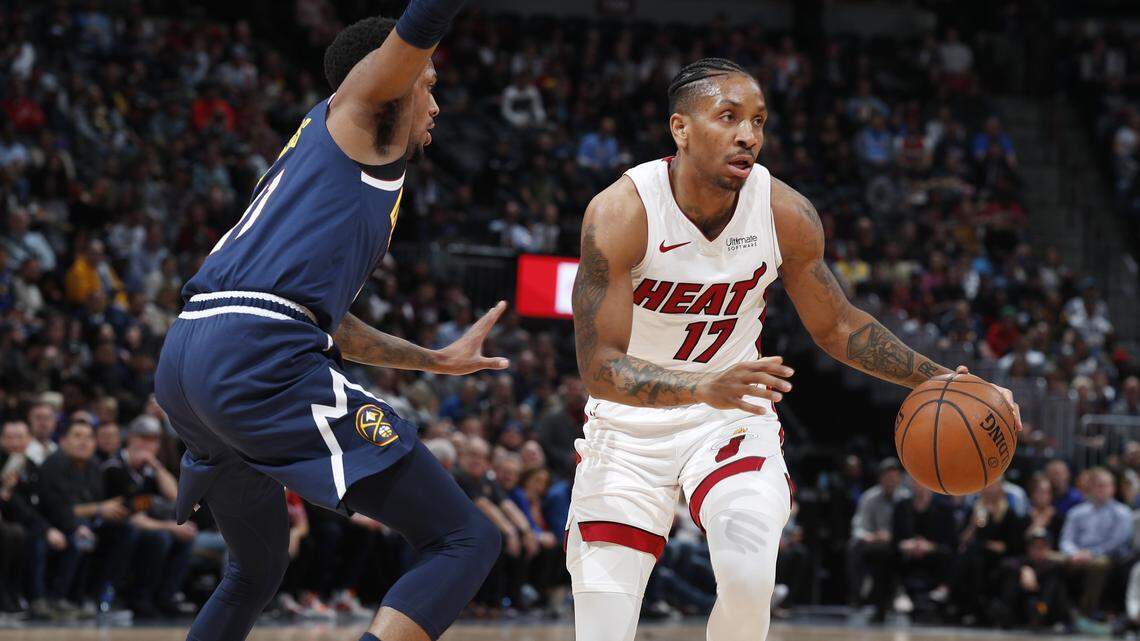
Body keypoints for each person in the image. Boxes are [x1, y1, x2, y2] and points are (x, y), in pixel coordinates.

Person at [567, 57, 1022, 641]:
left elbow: (839, 328)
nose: (747, 135)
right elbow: (599, 369)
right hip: (628, 430)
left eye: (758, 121)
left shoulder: (785, 212)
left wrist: (954, 384)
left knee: (750, 578)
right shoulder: (621, 211)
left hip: (728, 421)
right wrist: (699, 383)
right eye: (728, 117)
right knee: (602, 629)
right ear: (679, 128)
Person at [153, 3, 508, 640]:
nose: (435, 105)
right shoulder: (356, 122)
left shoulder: (325, 170)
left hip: (189, 356)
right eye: (428, 86)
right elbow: (418, 29)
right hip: (253, 355)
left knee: (255, 572)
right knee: (465, 536)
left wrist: (434, 359)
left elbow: (330, 324)